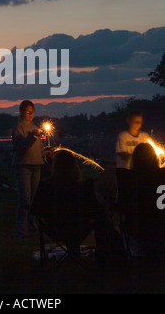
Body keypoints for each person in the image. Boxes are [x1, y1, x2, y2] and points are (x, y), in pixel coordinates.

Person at [31, 150, 126, 266]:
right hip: (80, 228)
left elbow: (36, 210)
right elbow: (96, 210)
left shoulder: (46, 186)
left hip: (54, 229)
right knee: (104, 221)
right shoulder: (83, 187)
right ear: (74, 165)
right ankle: (111, 258)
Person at [12, 100, 50, 239]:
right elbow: (21, 147)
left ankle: (32, 227)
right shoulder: (19, 127)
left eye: (32, 111)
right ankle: (21, 230)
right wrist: (32, 137)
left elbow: (38, 150)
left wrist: (47, 152)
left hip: (36, 166)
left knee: (34, 200)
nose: (30, 114)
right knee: (25, 199)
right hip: (23, 166)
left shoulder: (34, 127)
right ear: (21, 111)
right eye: (28, 111)